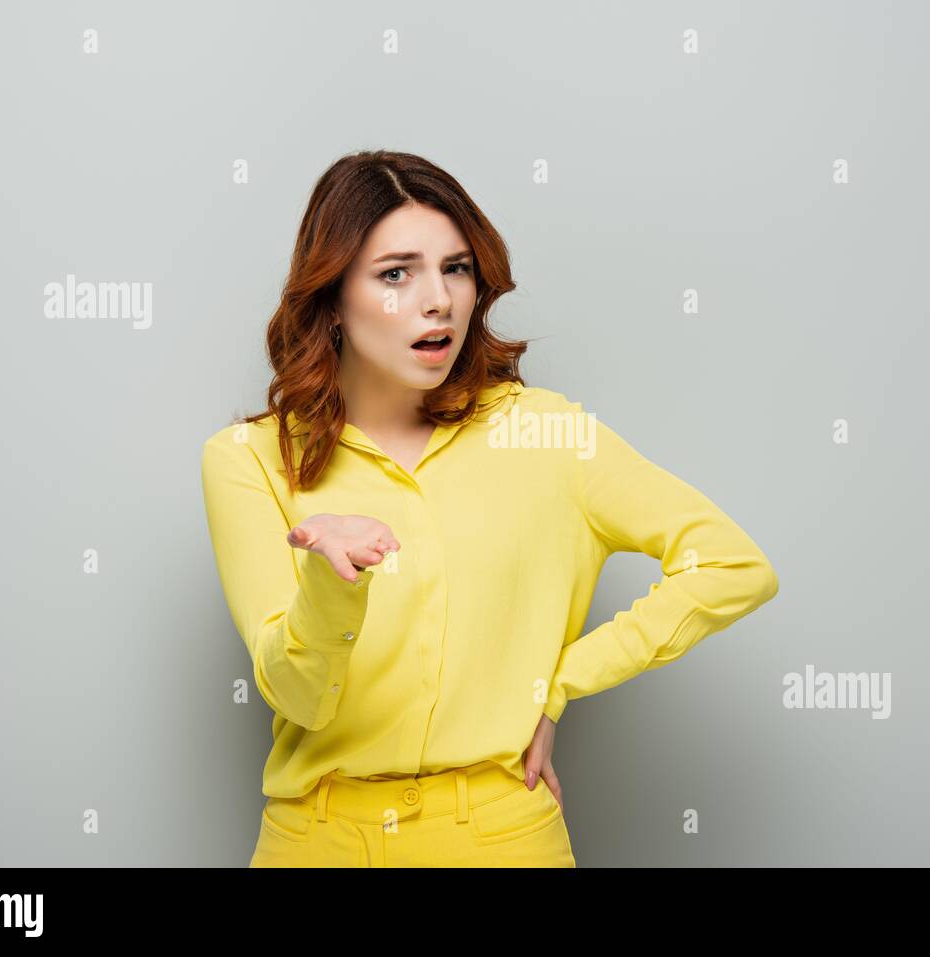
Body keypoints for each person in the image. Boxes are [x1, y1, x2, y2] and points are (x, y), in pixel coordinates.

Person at [199, 149, 780, 867]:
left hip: (504, 838)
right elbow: (300, 697)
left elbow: (732, 564)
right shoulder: (248, 459)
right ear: (333, 298)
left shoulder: (546, 433)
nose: (437, 298)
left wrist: (560, 681)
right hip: (317, 842)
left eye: (457, 267)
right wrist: (329, 581)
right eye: (395, 274)